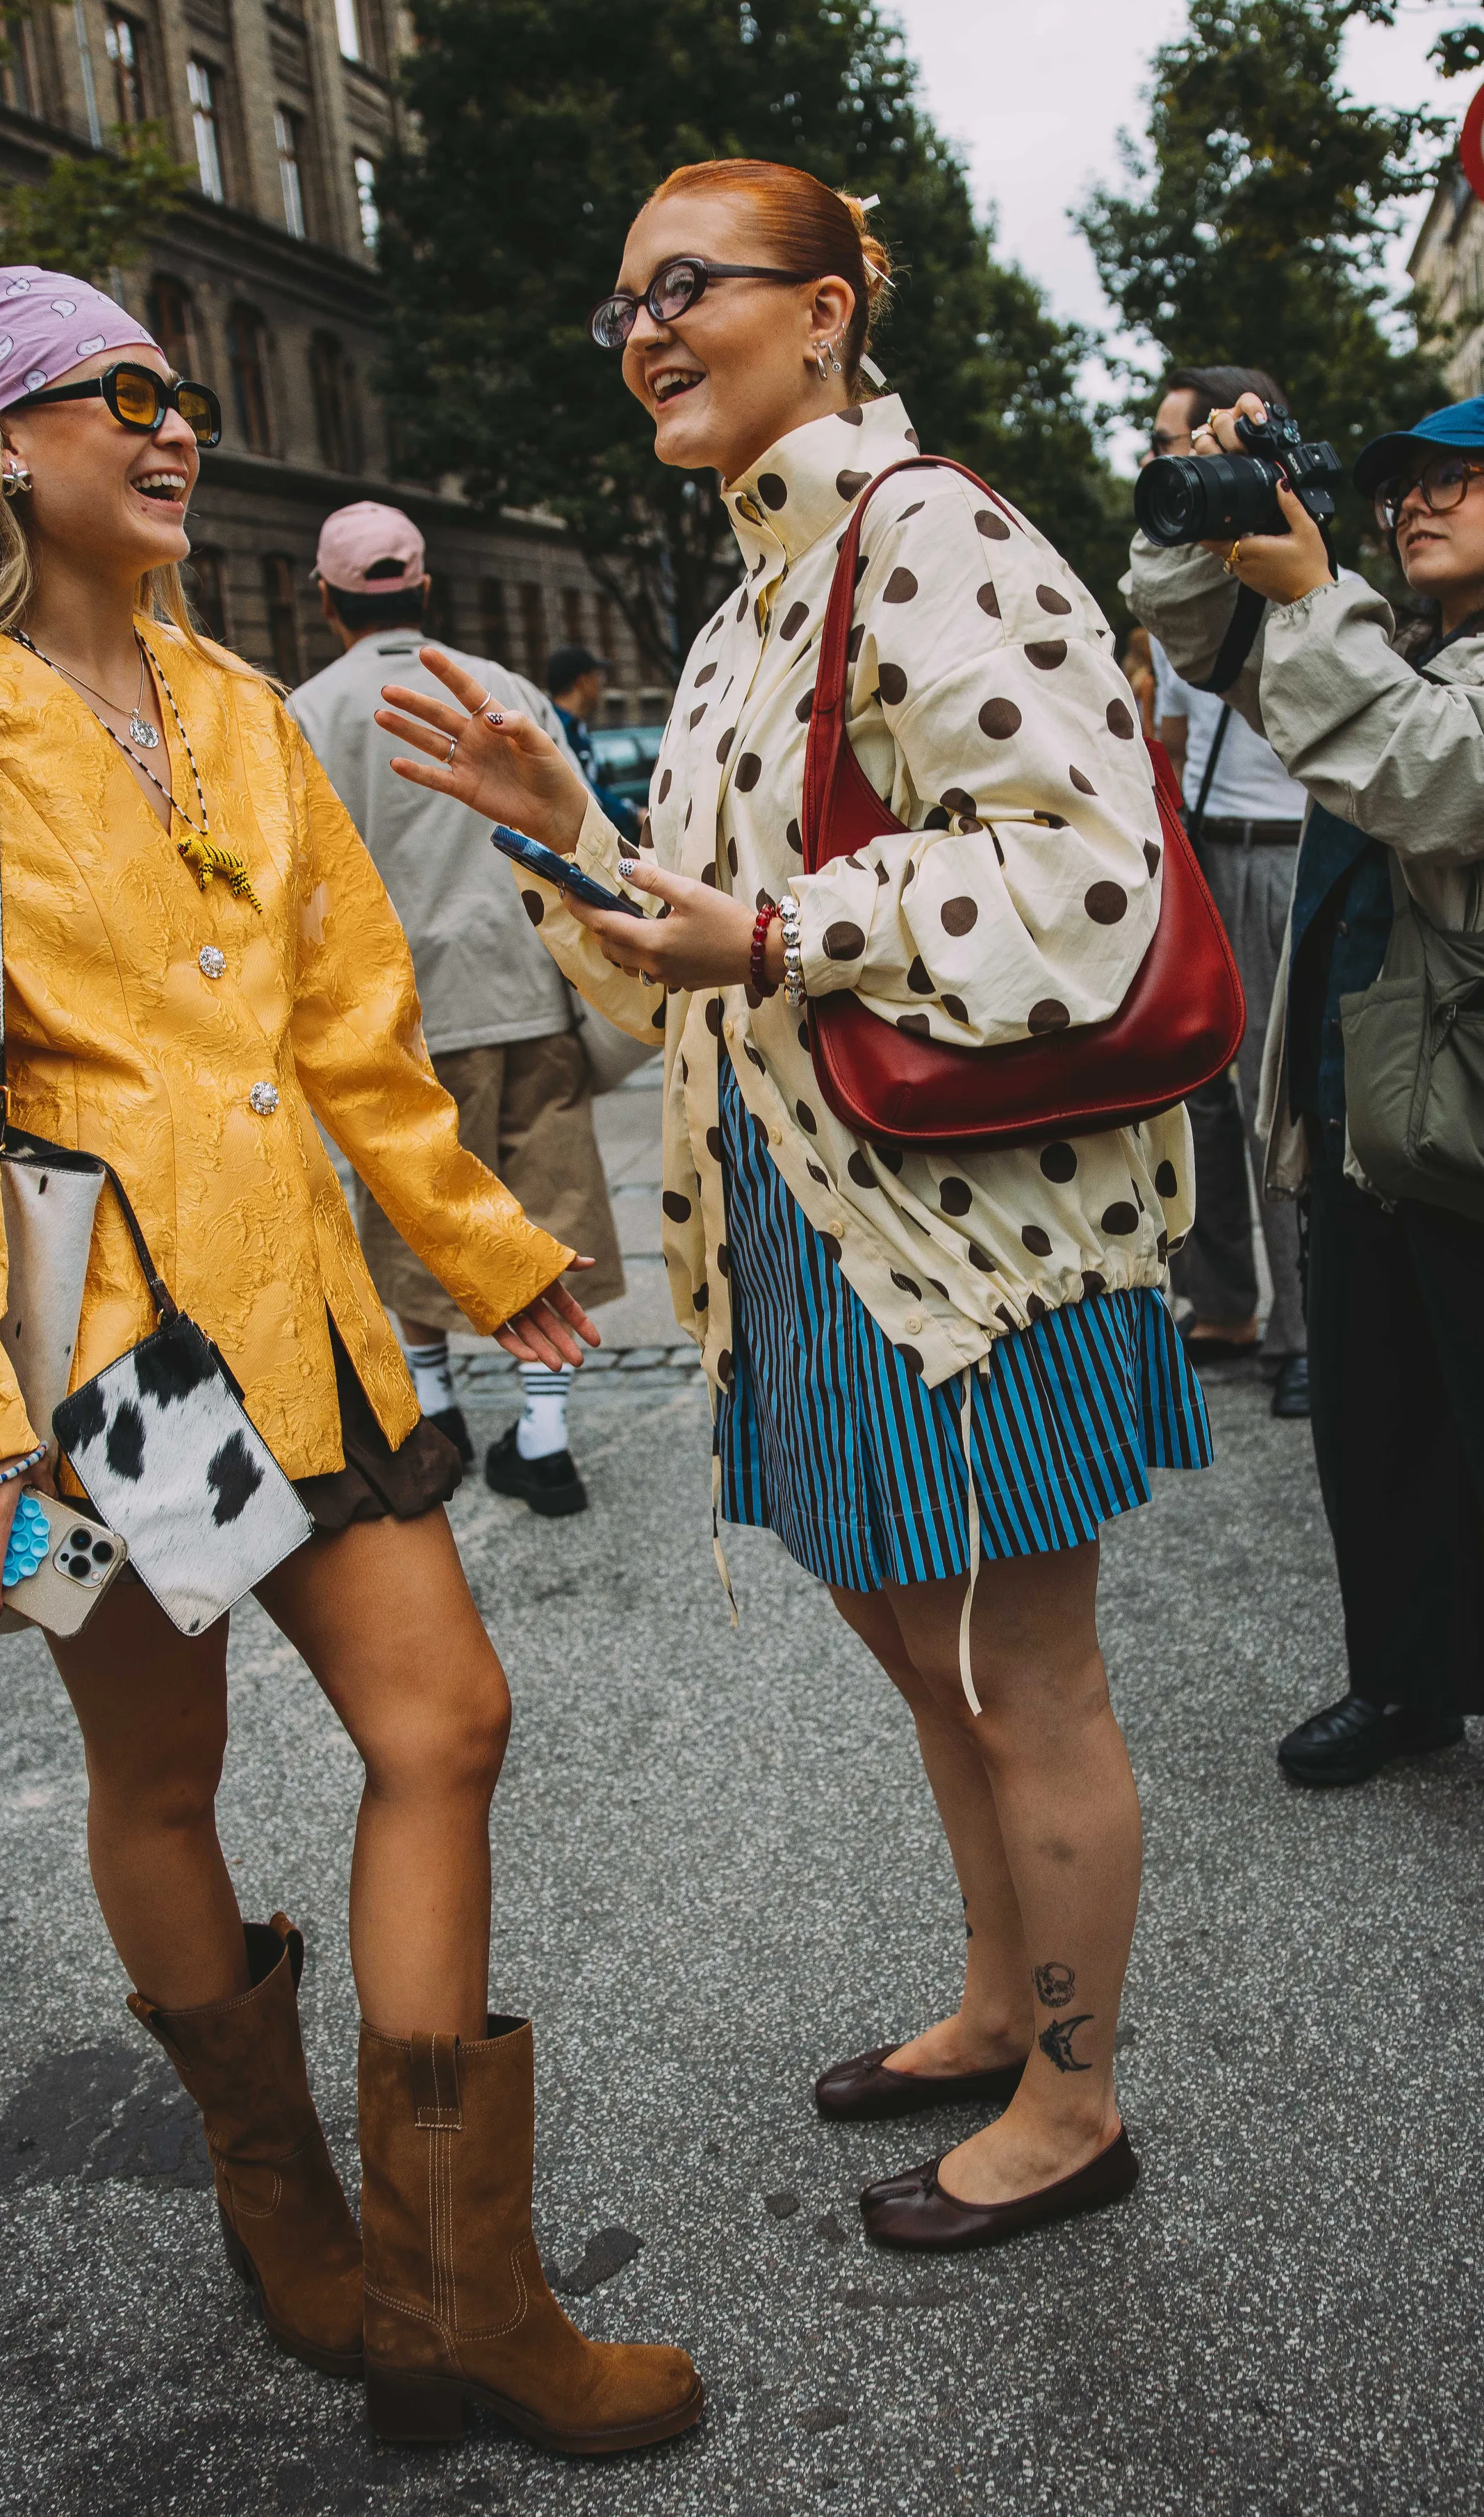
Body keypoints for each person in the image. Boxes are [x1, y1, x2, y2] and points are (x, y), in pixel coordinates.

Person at [0, 266, 700, 2455]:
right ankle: (271, 2182)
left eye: (179, 393)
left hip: (296, 1304)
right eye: (120, 395)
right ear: (8, 442)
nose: (173, 425)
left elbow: (349, 1030)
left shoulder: (232, 696)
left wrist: (483, 1249)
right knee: (166, 1769)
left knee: (445, 1718)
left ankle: (448, 2290)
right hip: (110, 1361)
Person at [378, 158, 1212, 2252]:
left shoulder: (929, 532)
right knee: (924, 1655)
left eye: (690, 287)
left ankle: (1073, 2092)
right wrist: (570, 825)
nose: (645, 330)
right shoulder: (754, 594)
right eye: (622, 307)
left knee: (1026, 1666)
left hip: (969, 1227)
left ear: (827, 307)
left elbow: (1076, 875)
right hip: (799, 1220)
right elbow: (683, 947)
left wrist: (770, 923)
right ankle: (989, 2001)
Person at [1132, 388, 1484, 1787]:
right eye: (1400, 484)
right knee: (1379, 1420)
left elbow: (1426, 771)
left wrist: (1322, 589)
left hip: (1467, 1121)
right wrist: (1208, 513)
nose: (1415, 502)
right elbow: (1215, 646)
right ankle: (1405, 1684)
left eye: (1459, 478)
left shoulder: (1402, 662)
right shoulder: (1401, 645)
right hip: (1368, 1106)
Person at [292, 503, 625, 1518]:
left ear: (326, 599)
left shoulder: (303, 713)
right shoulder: (504, 688)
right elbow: (582, 827)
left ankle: (438, 1416)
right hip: (527, 989)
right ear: (425, 590)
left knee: (410, 1219)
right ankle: (547, 1437)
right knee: (553, 1205)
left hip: (403, 1017)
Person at [1144, 367, 1310, 1417]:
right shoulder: (1177, 565)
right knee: (1199, 1087)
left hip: (1280, 847)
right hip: (1200, 847)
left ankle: (1303, 1333)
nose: (1167, 457)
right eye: (1160, 439)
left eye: (1187, 437)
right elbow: (1167, 729)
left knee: (1275, 1102)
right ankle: (1224, 1306)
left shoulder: (1288, 554)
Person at [547, 641, 636, 842]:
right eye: (596, 677)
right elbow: (581, 787)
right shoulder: (557, 730)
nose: (600, 684)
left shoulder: (576, 727)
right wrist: (630, 812)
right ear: (582, 682)